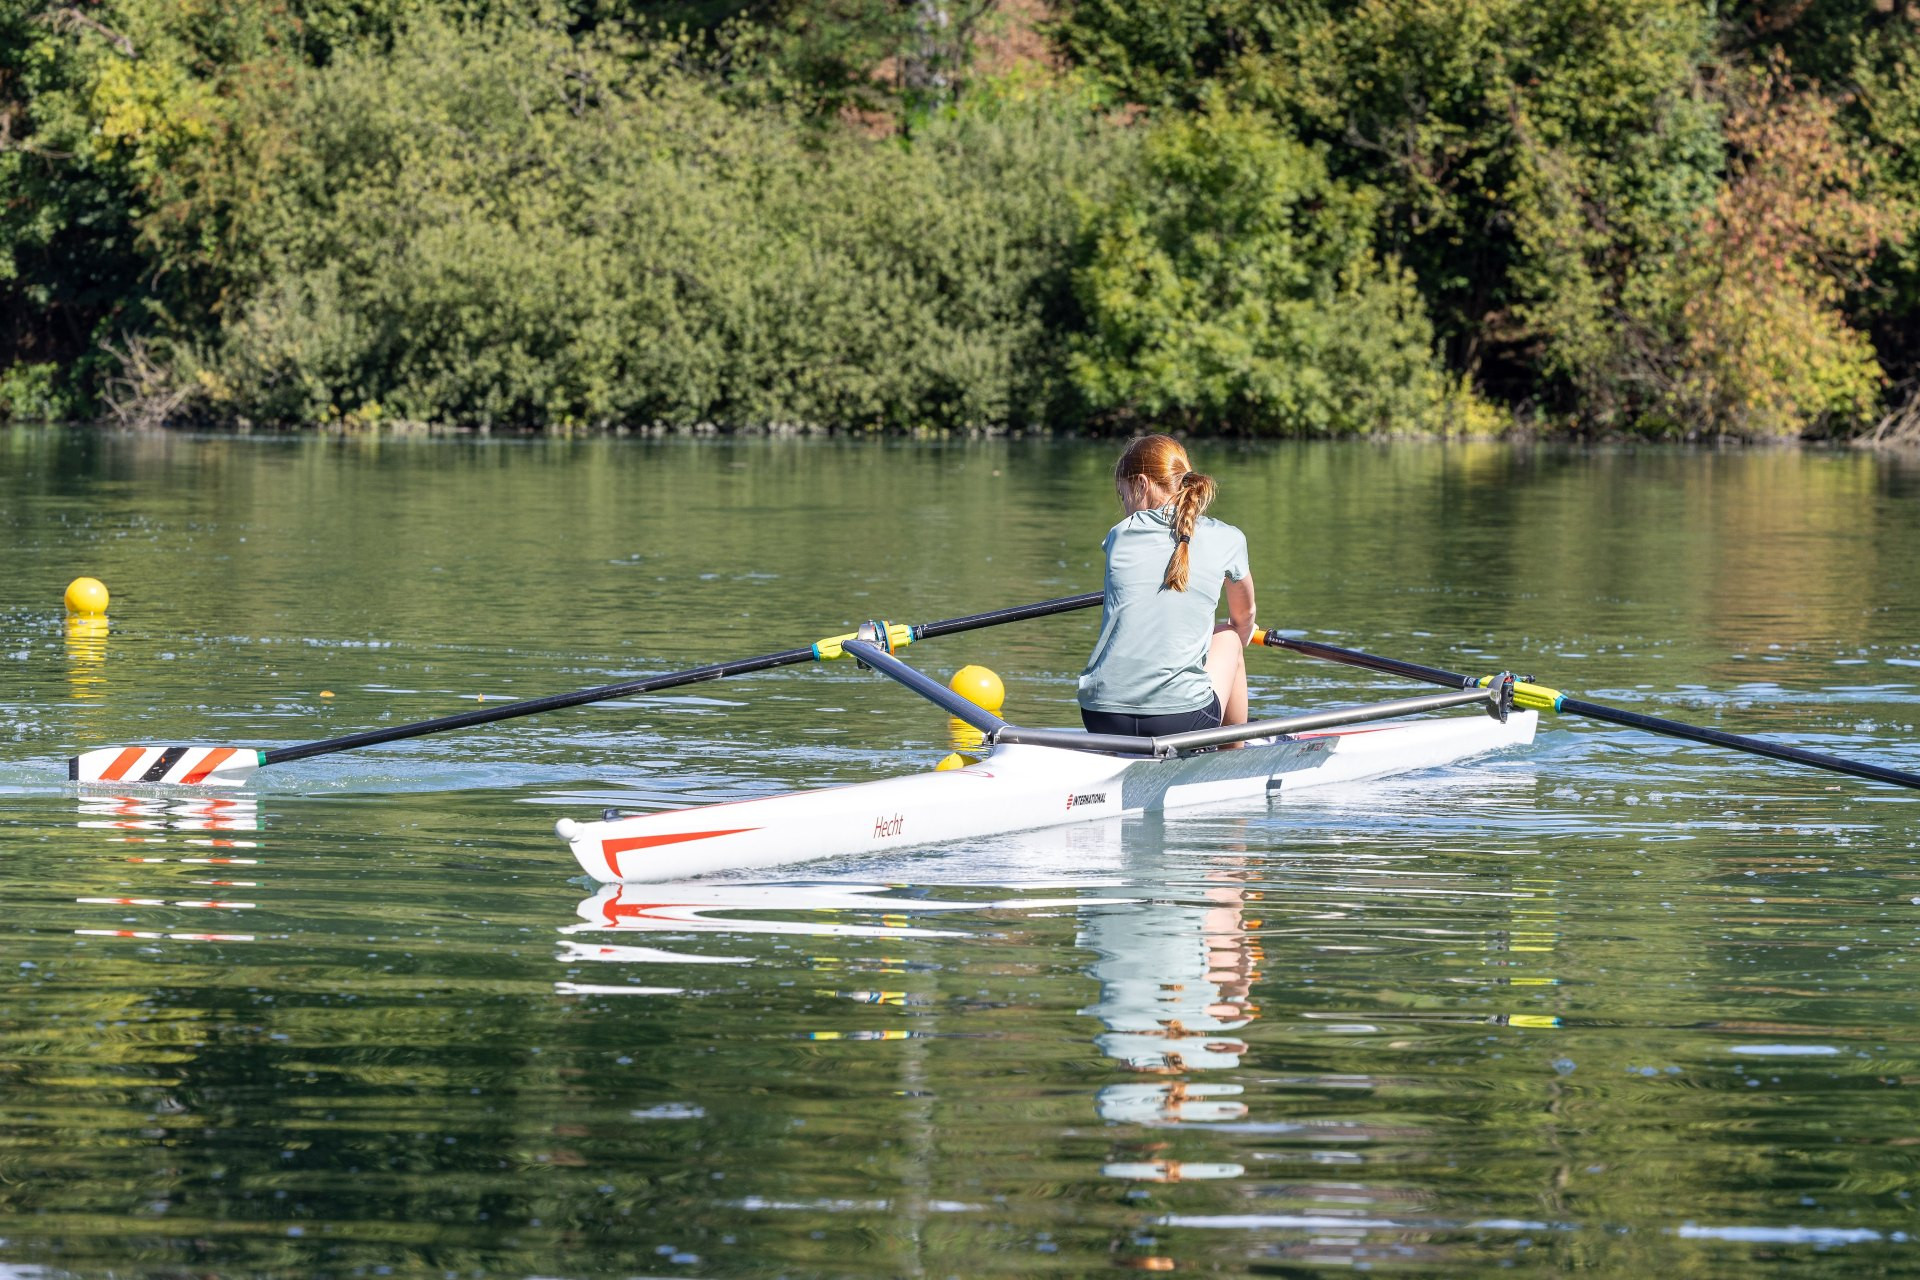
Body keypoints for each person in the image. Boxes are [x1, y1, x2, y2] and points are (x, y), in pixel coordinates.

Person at [1078, 434, 1255, 740]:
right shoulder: (1229, 538)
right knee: (1228, 637)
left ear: (1142, 484)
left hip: (1101, 716)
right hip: (1182, 721)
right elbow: (1244, 617)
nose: (1125, 508)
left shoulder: (1119, 535)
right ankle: (1231, 755)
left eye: (1124, 497)